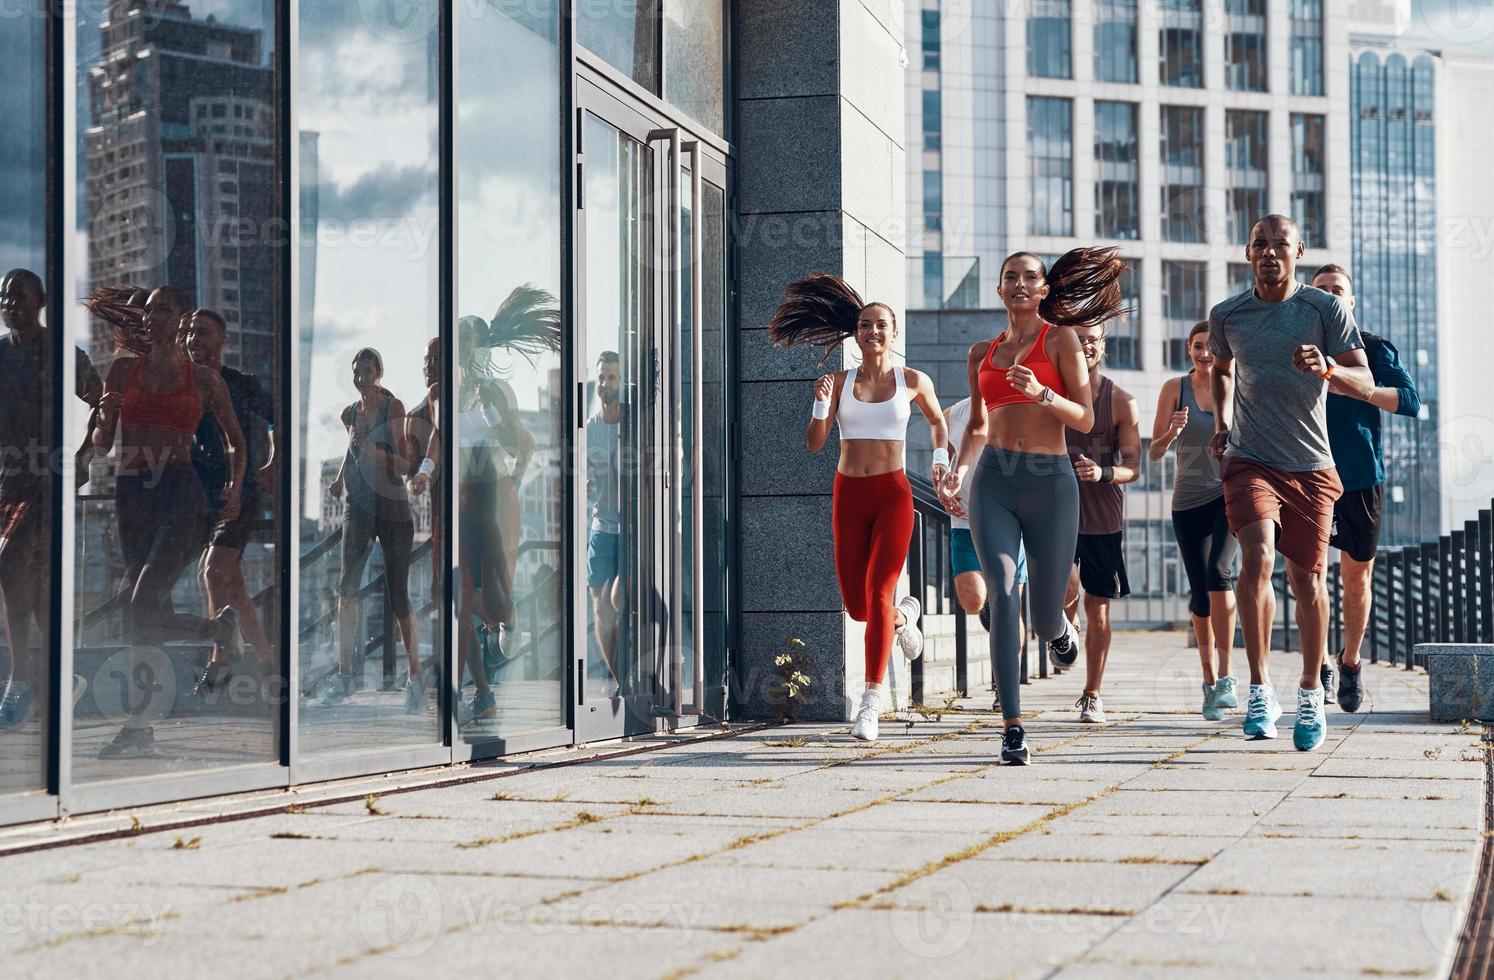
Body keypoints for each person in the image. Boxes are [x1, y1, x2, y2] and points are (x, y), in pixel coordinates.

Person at [942, 247, 1126, 765]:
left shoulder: (1061, 339)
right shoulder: (983, 352)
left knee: (1044, 620)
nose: (1020, 284)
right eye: (1010, 277)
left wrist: (1044, 393)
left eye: (1030, 277)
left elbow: (1086, 420)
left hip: (1051, 484)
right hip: (995, 481)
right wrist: (958, 467)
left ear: (1044, 290)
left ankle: (1060, 632)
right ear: (999, 290)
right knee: (1001, 595)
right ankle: (1012, 727)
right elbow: (978, 427)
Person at [1207, 215, 1371, 751]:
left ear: (1298, 249)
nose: (1271, 252)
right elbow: (1222, 369)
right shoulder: (1228, 314)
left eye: (1281, 243)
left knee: (1306, 579)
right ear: (1247, 252)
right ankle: (1259, 689)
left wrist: (1326, 369)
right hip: (1250, 458)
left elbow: (1363, 379)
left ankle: (1307, 690)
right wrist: (1222, 424)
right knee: (1255, 556)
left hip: (1310, 465)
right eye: (1261, 244)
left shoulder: (1324, 309)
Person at [769, 274, 948, 744]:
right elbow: (814, 445)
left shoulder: (913, 381)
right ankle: (904, 617)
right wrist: (819, 405)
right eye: (865, 324)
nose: (873, 331)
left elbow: (938, 423)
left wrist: (940, 460)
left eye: (881, 325)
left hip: (893, 495)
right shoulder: (839, 382)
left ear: (894, 333)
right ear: (855, 333)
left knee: (878, 589)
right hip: (849, 494)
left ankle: (870, 702)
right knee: (858, 606)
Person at [90, 285, 247, 758]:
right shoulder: (121, 369)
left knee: (141, 605)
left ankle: (139, 724)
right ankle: (215, 631)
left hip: (181, 492)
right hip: (131, 494)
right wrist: (102, 417)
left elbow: (237, 442)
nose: (153, 315)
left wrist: (236, 490)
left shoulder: (203, 380)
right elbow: (101, 443)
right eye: (149, 309)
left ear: (180, 318)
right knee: (144, 614)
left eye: (164, 308)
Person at [1313, 263, 1421, 713]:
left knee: (1355, 581)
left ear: (1351, 301)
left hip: (1360, 479)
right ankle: (1317, 662)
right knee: (1310, 576)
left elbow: (1411, 402)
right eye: (1321, 290)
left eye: (1338, 290)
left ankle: (1351, 662)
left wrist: (1354, 385)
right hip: (1308, 473)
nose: (1331, 296)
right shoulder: (1297, 348)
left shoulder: (1372, 347)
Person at [0, 270, 103, 729]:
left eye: (17, 294)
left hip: (45, 481)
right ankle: (65, 675)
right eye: (3, 295)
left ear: (40, 300)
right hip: (6, 480)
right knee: (24, 587)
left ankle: (22, 680)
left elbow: (102, 402)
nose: (8, 302)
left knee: (13, 573)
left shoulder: (60, 354)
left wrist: (82, 459)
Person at [319, 348, 423, 712]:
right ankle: (345, 675)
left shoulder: (392, 408)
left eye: (367, 370)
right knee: (347, 586)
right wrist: (337, 480)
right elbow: (351, 449)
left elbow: (406, 462)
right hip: (358, 505)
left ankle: (415, 678)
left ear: (379, 372)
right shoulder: (349, 412)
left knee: (398, 593)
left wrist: (372, 451)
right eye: (356, 371)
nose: (360, 376)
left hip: (392, 506)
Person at [184, 309, 277, 695]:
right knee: (234, 587)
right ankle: (271, 666)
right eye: (189, 333)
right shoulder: (181, 384)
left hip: (241, 492)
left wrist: (274, 461)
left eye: (202, 333)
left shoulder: (242, 384)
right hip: (200, 496)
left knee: (212, 570)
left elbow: (280, 418)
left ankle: (218, 662)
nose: (193, 339)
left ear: (222, 339)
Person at [1151, 321, 1240, 721]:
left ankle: (1228, 675)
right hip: (1187, 499)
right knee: (1200, 591)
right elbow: (1153, 452)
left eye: (1210, 347)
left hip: (1228, 494)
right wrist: (1171, 432)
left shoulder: (1237, 387)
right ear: (1188, 349)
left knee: (1219, 572)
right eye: (1198, 346)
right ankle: (1208, 682)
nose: (1205, 353)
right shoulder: (1175, 389)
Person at [1062, 322, 1141, 724]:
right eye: (1078, 342)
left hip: (1102, 516)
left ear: (1103, 347)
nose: (1086, 347)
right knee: (1062, 590)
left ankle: (1092, 693)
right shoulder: (1050, 395)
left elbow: (1134, 467)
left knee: (1099, 607)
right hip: (1054, 510)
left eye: (1092, 341)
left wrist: (1103, 472)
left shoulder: (1121, 401)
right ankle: (1062, 626)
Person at [944, 396, 1027, 714]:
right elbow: (944, 461)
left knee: (1009, 605)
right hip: (965, 518)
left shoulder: (1020, 407)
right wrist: (944, 489)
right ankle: (990, 602)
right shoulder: (952, 414)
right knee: (972, 599)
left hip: (1010, 519)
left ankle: (1004, 687)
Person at [586, 350, 626, 694]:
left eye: (611, 377)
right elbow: (583, 475)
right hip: (601, 526)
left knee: (618, 598)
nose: (605, 383)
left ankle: (640, 672)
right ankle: (621, 681)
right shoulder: (591, 427)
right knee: (600, 606)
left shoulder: (633, 423)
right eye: (601, 377)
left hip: (631, 528)